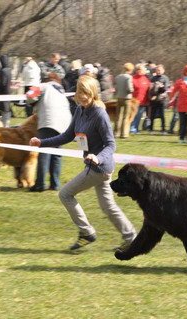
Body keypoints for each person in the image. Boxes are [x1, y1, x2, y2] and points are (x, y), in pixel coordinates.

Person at [29, 75, 137, 250]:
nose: (82, 96)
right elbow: (67, 136)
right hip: (95, 167)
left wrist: (97, 157)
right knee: (108, 206)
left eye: (85, 93)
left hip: (99, 167)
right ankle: (132, 238)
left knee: (65, 194)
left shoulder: (99, 114)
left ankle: (86, 232)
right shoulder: (80, 110)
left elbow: (111, 144)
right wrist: (42, 142)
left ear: (93, 93)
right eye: (79, 92)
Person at [28, 73, 72, 192]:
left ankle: (40, 184)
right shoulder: (61, 93)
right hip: (64, 124)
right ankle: (55, 184)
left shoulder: (44, 86)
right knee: (56, 154)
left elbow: (30, 94)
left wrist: (31, 102)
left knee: (44, 153)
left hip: (49, 122)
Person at [114, 62, 134, 138]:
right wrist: (132, 90)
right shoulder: (129, 77)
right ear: (130, 69)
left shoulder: (118, 77)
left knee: (118, 116)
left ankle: (116, 133)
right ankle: (124, 133)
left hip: (119, 97)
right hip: (127, 98)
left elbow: (116, 88)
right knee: (126, 116)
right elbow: (129, 89)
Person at [148, 64, 170, 133]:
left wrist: (161, 86)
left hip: (162, 99)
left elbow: (166, 89)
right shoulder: (153, 78)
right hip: (154, 99)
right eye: (157, 70)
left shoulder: (165, 78)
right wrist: (151, 95)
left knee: (162, 115)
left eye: (160, 70)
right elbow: (150, 89)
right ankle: (151, 128)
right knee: (152, 114)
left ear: (163, 70)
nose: (158, 71)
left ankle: (163, 129)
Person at [130, 64, 151, 133]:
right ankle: (132, 128)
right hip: (134, 101)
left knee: (139, 116)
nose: (139, 71)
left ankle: (136, 128)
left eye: (141, 69)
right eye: (138, 69)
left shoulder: (146, 79)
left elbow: (149, 90)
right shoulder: (132, 78)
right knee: (133, 115)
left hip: (143, 101)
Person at [0, 55, 12, 127]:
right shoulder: (9, 70)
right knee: (5, 110)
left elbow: (2, 83)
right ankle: (5, 124)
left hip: (1, 93)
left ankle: (2, 124)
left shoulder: (3, 71)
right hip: (7, 93)